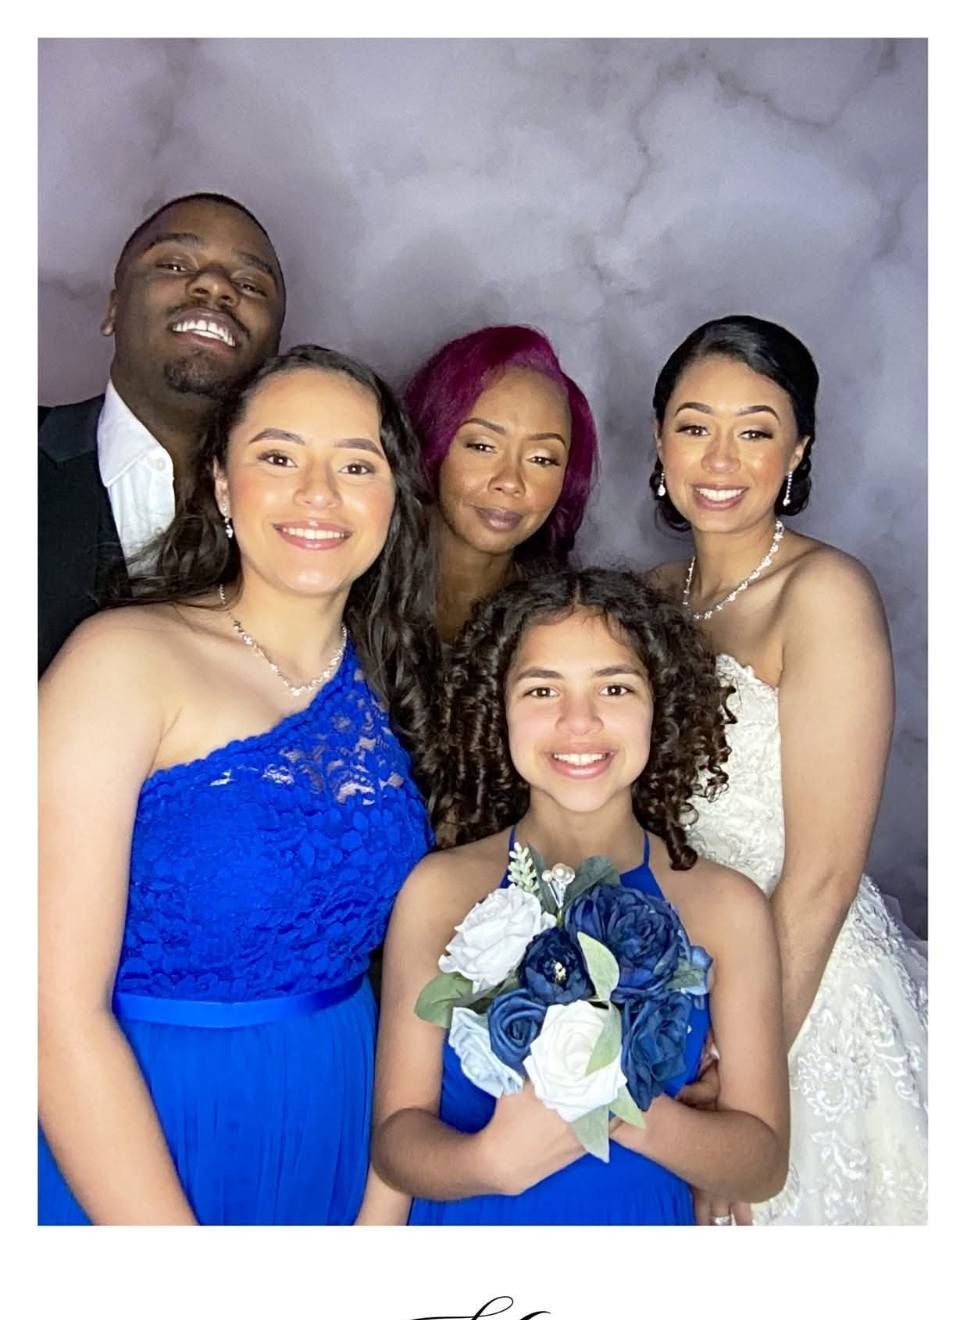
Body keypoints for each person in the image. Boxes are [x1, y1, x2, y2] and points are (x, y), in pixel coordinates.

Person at [39, 345, 436, 1225]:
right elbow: (47, 1010)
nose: (317, 494)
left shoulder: (394, 683)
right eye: (279, 457)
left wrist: (383, 1206)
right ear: (221, 483)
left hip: (338, 1121)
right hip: (145, 1134)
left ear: (392, 499)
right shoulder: (121, 661)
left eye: (355, 465)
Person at [356, 569, 789, 1225]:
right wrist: (488, 1164)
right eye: (542, 689)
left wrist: (622, 1107)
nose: (578, 721)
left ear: (660, 705)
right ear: (496, 708)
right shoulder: (439, 891)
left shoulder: (726, 907)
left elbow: (762, 1163)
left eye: (614, 688)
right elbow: (397, 1140)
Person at [646, 314, 927, 1225]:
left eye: (755, 431)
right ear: (659, 439)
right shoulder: (648, 595)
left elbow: (823, 876)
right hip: (662, 977)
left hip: (797, 990)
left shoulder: (824, 594)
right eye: (695, 426)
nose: (719, 459)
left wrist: (745, 1089)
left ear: (797, 450)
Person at [39, 191, 286, 673]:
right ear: (113, 309)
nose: (215, 286)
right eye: (174, 265)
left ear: (276, 345)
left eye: (250, 284)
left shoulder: (307, 509)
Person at [403, 325, 598, 641]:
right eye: (482, 446)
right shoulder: (350, 595)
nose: (510, 481)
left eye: (541, 459)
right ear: (430, 445)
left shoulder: (566, 628)